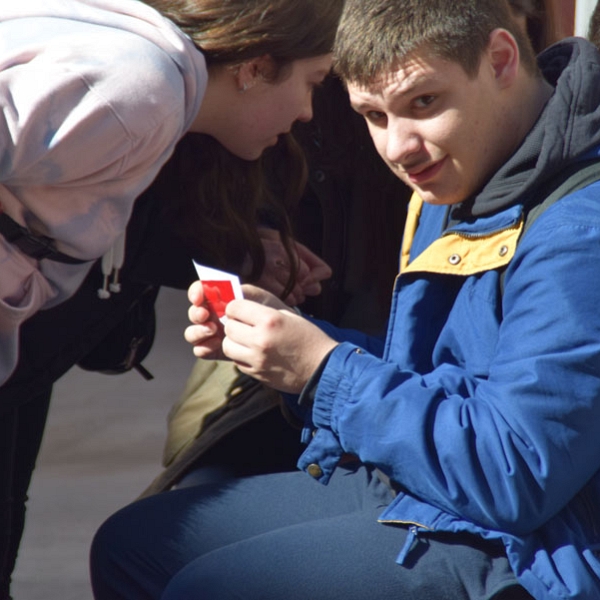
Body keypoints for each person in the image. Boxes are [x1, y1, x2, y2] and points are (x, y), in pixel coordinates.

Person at [90, 0, 600, 599]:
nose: (398, 147)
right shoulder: (467, 163)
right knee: (134, 545)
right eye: (372, 116)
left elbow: (514, 474)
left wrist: (324, 372)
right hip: (451, 488)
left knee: (211, 587)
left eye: (423, 104)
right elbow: (441, 378)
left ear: (500, 59)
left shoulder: (577, 230)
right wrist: (293, 347)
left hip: (546, 545)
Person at [0, 0, 343, 597]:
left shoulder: (154, 75)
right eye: (312, 84)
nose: (309, 111)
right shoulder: (142, 84)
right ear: (255, 67)